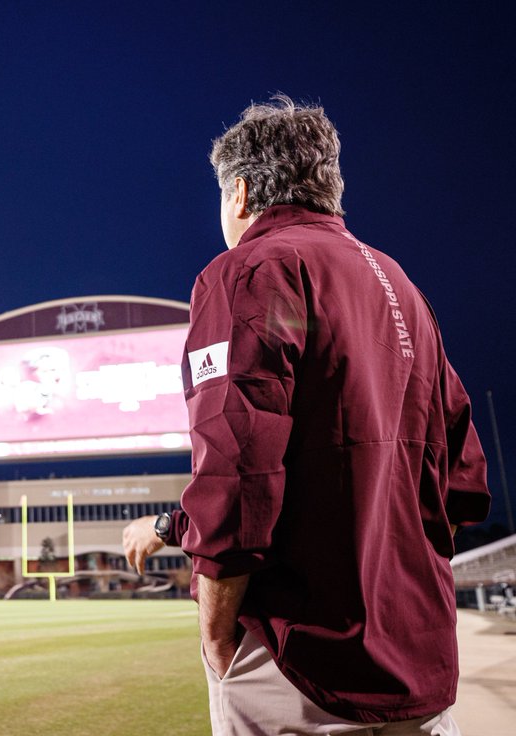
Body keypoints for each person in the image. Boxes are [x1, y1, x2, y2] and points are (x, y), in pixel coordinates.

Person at [122, 96, 490, 735]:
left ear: (240, 192)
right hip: (418, 666)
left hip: (300, 661)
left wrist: (217, 637)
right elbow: (461, 481)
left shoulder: (252, 268)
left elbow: (238, 469)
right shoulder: (399, 284)